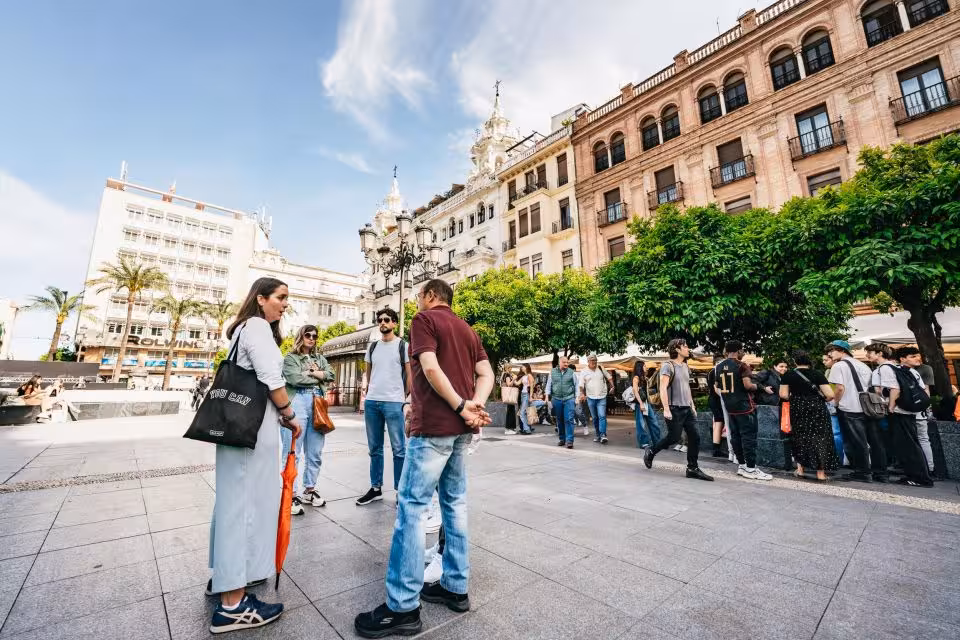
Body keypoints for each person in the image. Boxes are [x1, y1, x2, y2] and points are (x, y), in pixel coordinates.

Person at [355, 279, 494, 638]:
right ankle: (455, 586)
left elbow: (430, 369)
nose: (417, 302)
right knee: (455, 506)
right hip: (462, 429)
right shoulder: (466, 328)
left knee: (412, 510)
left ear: (430, 296)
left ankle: (402, 606)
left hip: (433, 426)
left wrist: (463, 405)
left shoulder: (424, 321)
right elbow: (487, 373)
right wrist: (474, 405)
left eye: (419, 297)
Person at [207, 277, 300, 634]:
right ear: (260, 299)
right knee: (245, 508)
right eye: (281, 297)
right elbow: (270, 377)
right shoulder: (258, 326)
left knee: (231, 504)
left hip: (234, 428)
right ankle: (233, 604)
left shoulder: (241, 330)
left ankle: (226, 580)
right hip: (253, 429)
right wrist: (290, 415)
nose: (284, 304)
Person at [357, 308, 412, 506]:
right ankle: (376, 488)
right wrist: (369, 392)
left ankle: (400, 491)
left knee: (399, 449)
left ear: (395, 323)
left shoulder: (403, 346)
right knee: (374, 448)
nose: (383, 323)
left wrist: (405, 397)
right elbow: (369, 373)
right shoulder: (372, 347)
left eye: (387, 320)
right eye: (379, 320)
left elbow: (410, 373)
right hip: (373, 402)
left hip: (394, 401)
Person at [282, 324, 335, 515]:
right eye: (308, 335)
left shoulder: (320, 358)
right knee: (293, 451)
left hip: (317, 403)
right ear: (301, 336)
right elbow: (294, 379)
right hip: (297, 401)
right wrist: (317, 375)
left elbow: (331, 374)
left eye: (314, 336)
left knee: (315, 452)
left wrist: (313, 373)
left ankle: (309, 490)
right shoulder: (290, 358)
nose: (311, 338)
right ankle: (290, 494)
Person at [644, 339, 713, 481]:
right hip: (674, 408)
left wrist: (692, 405)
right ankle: (651, 451)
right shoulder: (667, 366)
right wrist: (667, 409)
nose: (688, 348)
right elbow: (663, 388)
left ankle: (692, 468)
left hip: (687, 408)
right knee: (673, 438)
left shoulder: (685, 366)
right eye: (685, 346)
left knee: (695, 437)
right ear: (677, 349)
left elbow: (686, 388)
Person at [714, 341, 772, 481]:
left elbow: (717, 386)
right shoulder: (742, 365)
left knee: (736, 436)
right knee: (749, 437)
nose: (744, 352)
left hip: (730, 407)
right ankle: (751, 468)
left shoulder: (719, 366)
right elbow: (747, 385)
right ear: (738, 351)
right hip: (745, 407)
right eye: (743, 350)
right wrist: (759, 388)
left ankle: (742, 465)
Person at [878, 347, 933, 487]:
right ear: (902, 358)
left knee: (909, 446)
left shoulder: (893, 370)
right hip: (912, 412)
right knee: (912, 445)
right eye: (912, 356)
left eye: (916, 356)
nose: (917, 358)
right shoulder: (913, 372)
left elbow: (895, 389)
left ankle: (920, 478)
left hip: (900, 412)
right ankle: (917, 476)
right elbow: (924, 391)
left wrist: (890, 407)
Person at [826, 340, 880, 483]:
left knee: (856, 441)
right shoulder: (863, 365)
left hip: (849, 407)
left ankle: (862, 472)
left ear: (842, 351)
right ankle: (880, 472)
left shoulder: (838, 366)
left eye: (831, 351)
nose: (829, 355)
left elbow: (839, 388)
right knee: (873, 441)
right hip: (867, 408)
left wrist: (835, 403)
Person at [780, 351, 836, 481]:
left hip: (797, 407)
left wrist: (796, 398)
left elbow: (783, 395)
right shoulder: (817, 374)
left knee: (799, 437)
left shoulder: (788, 375)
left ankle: (800, 469)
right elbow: (830, 395)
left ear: (795, 362)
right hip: (817, 407)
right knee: (820, 437)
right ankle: (820, 473)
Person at [865, 343, 896, 477]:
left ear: (880, 354)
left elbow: (880, 391)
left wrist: (889, 406)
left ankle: (881, 470)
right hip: (897, 409)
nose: (867, 355)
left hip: (884, 408)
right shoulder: (896, 366)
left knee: (879, 439)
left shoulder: (881, 369)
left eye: (870, 353)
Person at [909, 357, 936, 475]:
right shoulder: (925, 369)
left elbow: (927, 390)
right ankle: (929, 468)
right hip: (920, 409)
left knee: (920, 438)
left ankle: (926, 468)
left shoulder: (922, 369)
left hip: (914, 409)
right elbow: (927, 391)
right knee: (923, 438)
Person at [579, 355, 613, 444]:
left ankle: (603, 435)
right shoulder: (584, 371)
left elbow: (609, 377)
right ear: (588, 361)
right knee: (594, 418)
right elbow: (581, 384)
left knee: (602, 416)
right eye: (592, 360)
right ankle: (598, 435)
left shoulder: (601, 368)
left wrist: (612, 386)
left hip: (602, 396)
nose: (594, 362)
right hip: (590, 397)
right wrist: (582, 393)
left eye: (595, 360)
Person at [546, 355, 578, 448]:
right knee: (559, 420)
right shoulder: (552, 372)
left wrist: (577, 397)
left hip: (569, 398)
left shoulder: (572, 372)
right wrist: (547, 398)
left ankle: (569, 441)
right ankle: (562, 439)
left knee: (569, 419)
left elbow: (576, 385)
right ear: (559, 363)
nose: (566, 364)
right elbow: (548, 385)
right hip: (556, 399)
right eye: (564, 362)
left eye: (567, 362)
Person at [631, 361, 660, 448]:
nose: (646, 368)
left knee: (653, 422)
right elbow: (635, 391)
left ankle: (657, 442)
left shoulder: (644, 378)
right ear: (640, 367)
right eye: (644, 366)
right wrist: (640, 403)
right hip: (639, 403)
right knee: (641, 424)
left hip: (647, 403)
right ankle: (644, 443)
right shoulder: (636, 378)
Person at [705, 362, 726, 458]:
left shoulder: (710, 371)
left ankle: (716, 448)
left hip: (712, 399)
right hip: (717, 400)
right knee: (719, 422)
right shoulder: (717, 371)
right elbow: (716, 388)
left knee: (718, 422)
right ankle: (716, 449)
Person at [517, 364, 535, 435]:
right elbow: (517, 383)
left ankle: (527, 429)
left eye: (523, 366)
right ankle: (526, 428)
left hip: (527, 395)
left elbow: (531, 387)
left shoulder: (529, 375)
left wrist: (530, 396)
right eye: (521, 367)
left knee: (522, 413)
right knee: (523, 412)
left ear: (526, 367)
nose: (522, 368)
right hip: (522, 395)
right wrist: (514, 378)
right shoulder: (524, 376)